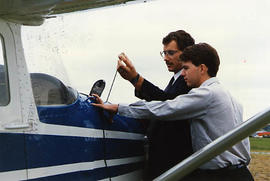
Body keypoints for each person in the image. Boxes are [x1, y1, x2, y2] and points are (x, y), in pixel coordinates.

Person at [92, 43, 254, 181]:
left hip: (220, 176)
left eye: (186, 68)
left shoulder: (206, 94)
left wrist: (118, 108)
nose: (182, 73)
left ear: (202, 68)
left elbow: (165, 108)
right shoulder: (231, 98)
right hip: (241, 174)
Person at [117, 30, 195, 179]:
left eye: (170, 53)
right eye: (164, 53)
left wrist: (136, 79)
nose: (165, 58)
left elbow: (167, 104)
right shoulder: (176, 80)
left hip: (173, 163)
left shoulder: (187, 82)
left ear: (186, 54)